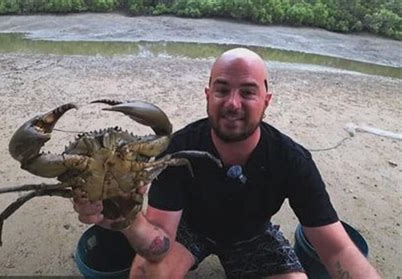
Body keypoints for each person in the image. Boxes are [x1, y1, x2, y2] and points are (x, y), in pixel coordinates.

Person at [73, 48, 380, 278]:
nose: (233, 103)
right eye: (222, 89)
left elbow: (337, 249)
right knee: (146, 273)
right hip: (188, 229)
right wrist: (128, 220)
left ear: (266, 100)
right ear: (208, 94)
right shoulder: (178, 147)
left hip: (254, 235)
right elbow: (160, 241)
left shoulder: (291, 159)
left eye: (247, 92)